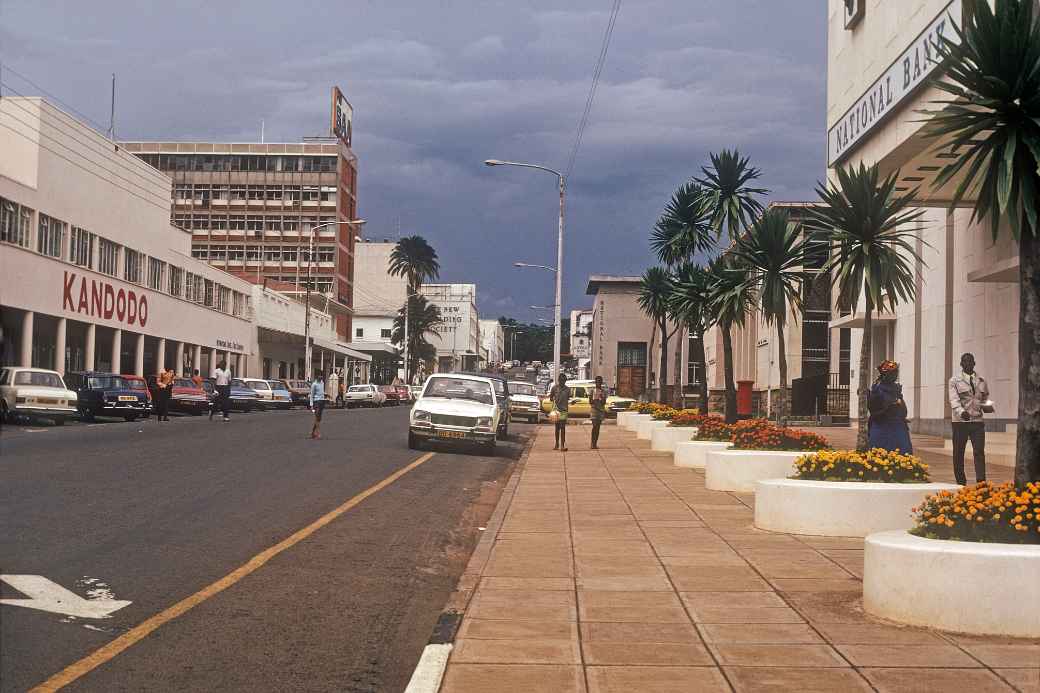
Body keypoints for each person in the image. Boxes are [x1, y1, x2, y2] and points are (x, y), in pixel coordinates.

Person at [948, 352, 989, 485]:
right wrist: (961, 412)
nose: (968, 363)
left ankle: (981, 482)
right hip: (960, 422)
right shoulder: (954, 380)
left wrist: (988, 407)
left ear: (974, 363)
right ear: (961, 364)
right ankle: (961, 481)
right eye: (965, 361)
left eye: (970, 361)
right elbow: (953, 400)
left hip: (977, 421)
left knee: (979, 452)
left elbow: (985, 398)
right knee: (959, 453)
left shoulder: (981, 380)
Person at [867, 360, 912, 453]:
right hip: (881, 426)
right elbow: (874, 409)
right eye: (892, 373)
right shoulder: (877, 389)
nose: (895, 376)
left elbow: (903, 409)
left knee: (902, 451)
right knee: (880, 452)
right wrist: (889, 407)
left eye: (896, 373)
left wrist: (899, 404)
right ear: (885, 374)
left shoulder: (896, 388)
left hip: (898, 426)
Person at [549, 374, 570, 452]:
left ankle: (562, 445)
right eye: (561, 381)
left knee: (563, 428)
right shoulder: (554, 388)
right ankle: (557, 443)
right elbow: (551, 398)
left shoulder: (567, 389)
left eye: (564, 381)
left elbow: (568, 398)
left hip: (564, 410)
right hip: (556, 410)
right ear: (558, 380)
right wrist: (553, 398)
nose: (562, 382)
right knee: (557, 428)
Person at [589, 376, 607, 450]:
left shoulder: (603, 391)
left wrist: (601, 397)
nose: (598, 383)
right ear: (595, 382)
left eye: (600, 381)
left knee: (598, 428)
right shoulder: (592, 391)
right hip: (594, 411)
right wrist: (595, 399)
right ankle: (592, 443)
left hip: (600, 411)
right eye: (597, 382)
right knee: (594, 426)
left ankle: (595, 443)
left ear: (601, 382)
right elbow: (590, 401)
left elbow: (603, 402)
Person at [309, 372, 326, 439]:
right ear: (317, 376)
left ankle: (312, 432)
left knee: (318, 418)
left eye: (322, 375)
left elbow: (322, 392)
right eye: (319, 375)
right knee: (317, 416)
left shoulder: (322, 383)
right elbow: (311, 395)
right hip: (316, 402)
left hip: (322, 401)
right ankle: (318, 433)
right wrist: (311, 405)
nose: (321, 376)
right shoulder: (314, 384)